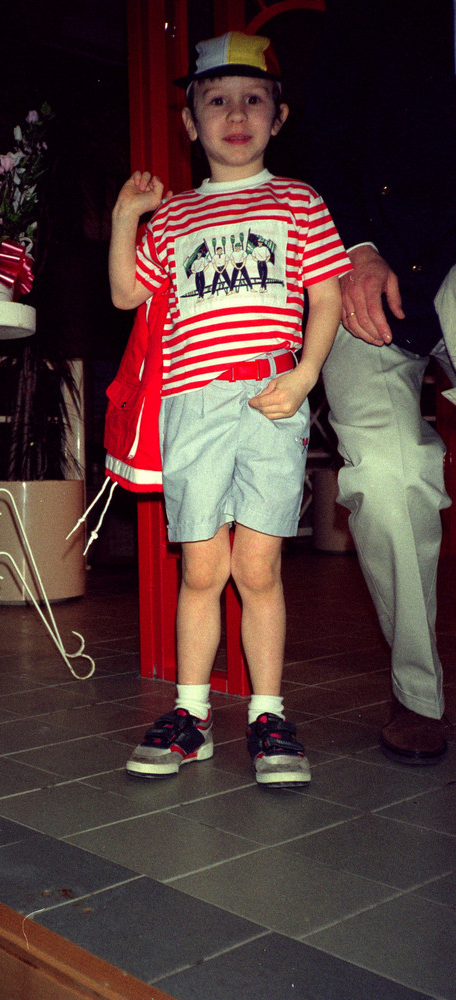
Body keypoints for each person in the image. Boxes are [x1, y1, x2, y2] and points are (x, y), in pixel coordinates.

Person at [109, 30, 351, 785]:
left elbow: (325, 297)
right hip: (192, 405)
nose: (235, 114)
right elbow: (126, 293)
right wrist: (125, 217)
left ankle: (267, 715)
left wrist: (305, 376)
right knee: (201, 568)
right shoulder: (175, 216)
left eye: (253, 99)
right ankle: (191, 715)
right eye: (216, 100)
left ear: (279, 117)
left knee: (259, 566)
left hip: (271, 399)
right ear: (191, 122)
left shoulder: (299, 201)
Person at [296, 0, 456, 763]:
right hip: (364, 267)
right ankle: (416, 689)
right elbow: (318, 138)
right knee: (388, 476)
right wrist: (353, 248)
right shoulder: (361, 18)